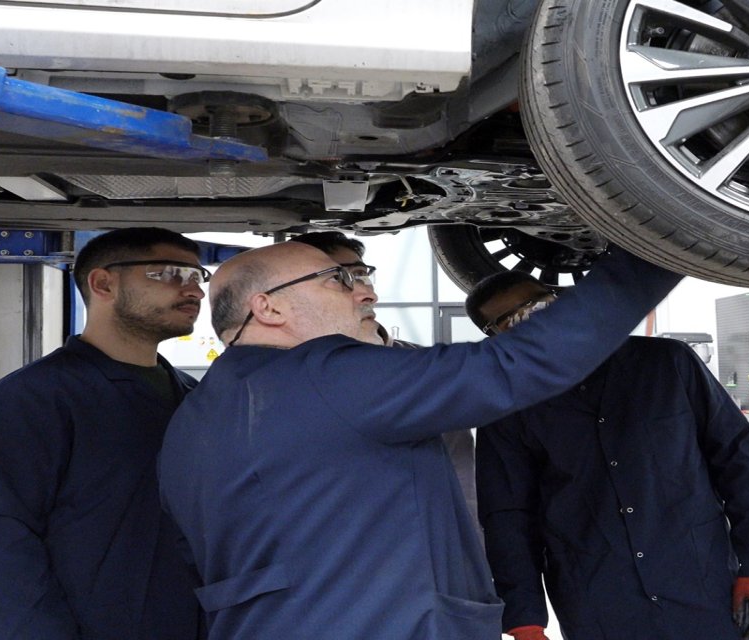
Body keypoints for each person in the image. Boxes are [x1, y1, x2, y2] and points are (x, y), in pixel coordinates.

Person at [157, 241, 683, 639]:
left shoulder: (192, 419)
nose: (366, 292)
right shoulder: (329, 373)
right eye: (336, 281)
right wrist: (663, 242)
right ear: (268, 308)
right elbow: (517, 365)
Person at [466, 271, 749, 640]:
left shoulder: (668, 364)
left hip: (701, 581)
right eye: (515, 321)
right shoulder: (509, 408)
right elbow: (507, 516)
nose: (538, 324)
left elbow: (739, 463)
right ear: (496, 336)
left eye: (541, 307)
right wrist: (525, 618)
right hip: (596, 598)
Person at [0, 227, 208, 639]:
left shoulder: (194, 398)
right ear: (103, 283)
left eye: (198, 277)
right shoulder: (31, 399)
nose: (193, 291)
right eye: (169, 274)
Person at [290, 230, 478, 526]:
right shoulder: (269, 380)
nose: (367, 293)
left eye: (362, 275)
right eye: (340, 279)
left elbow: (461, 481)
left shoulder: (422, 372)